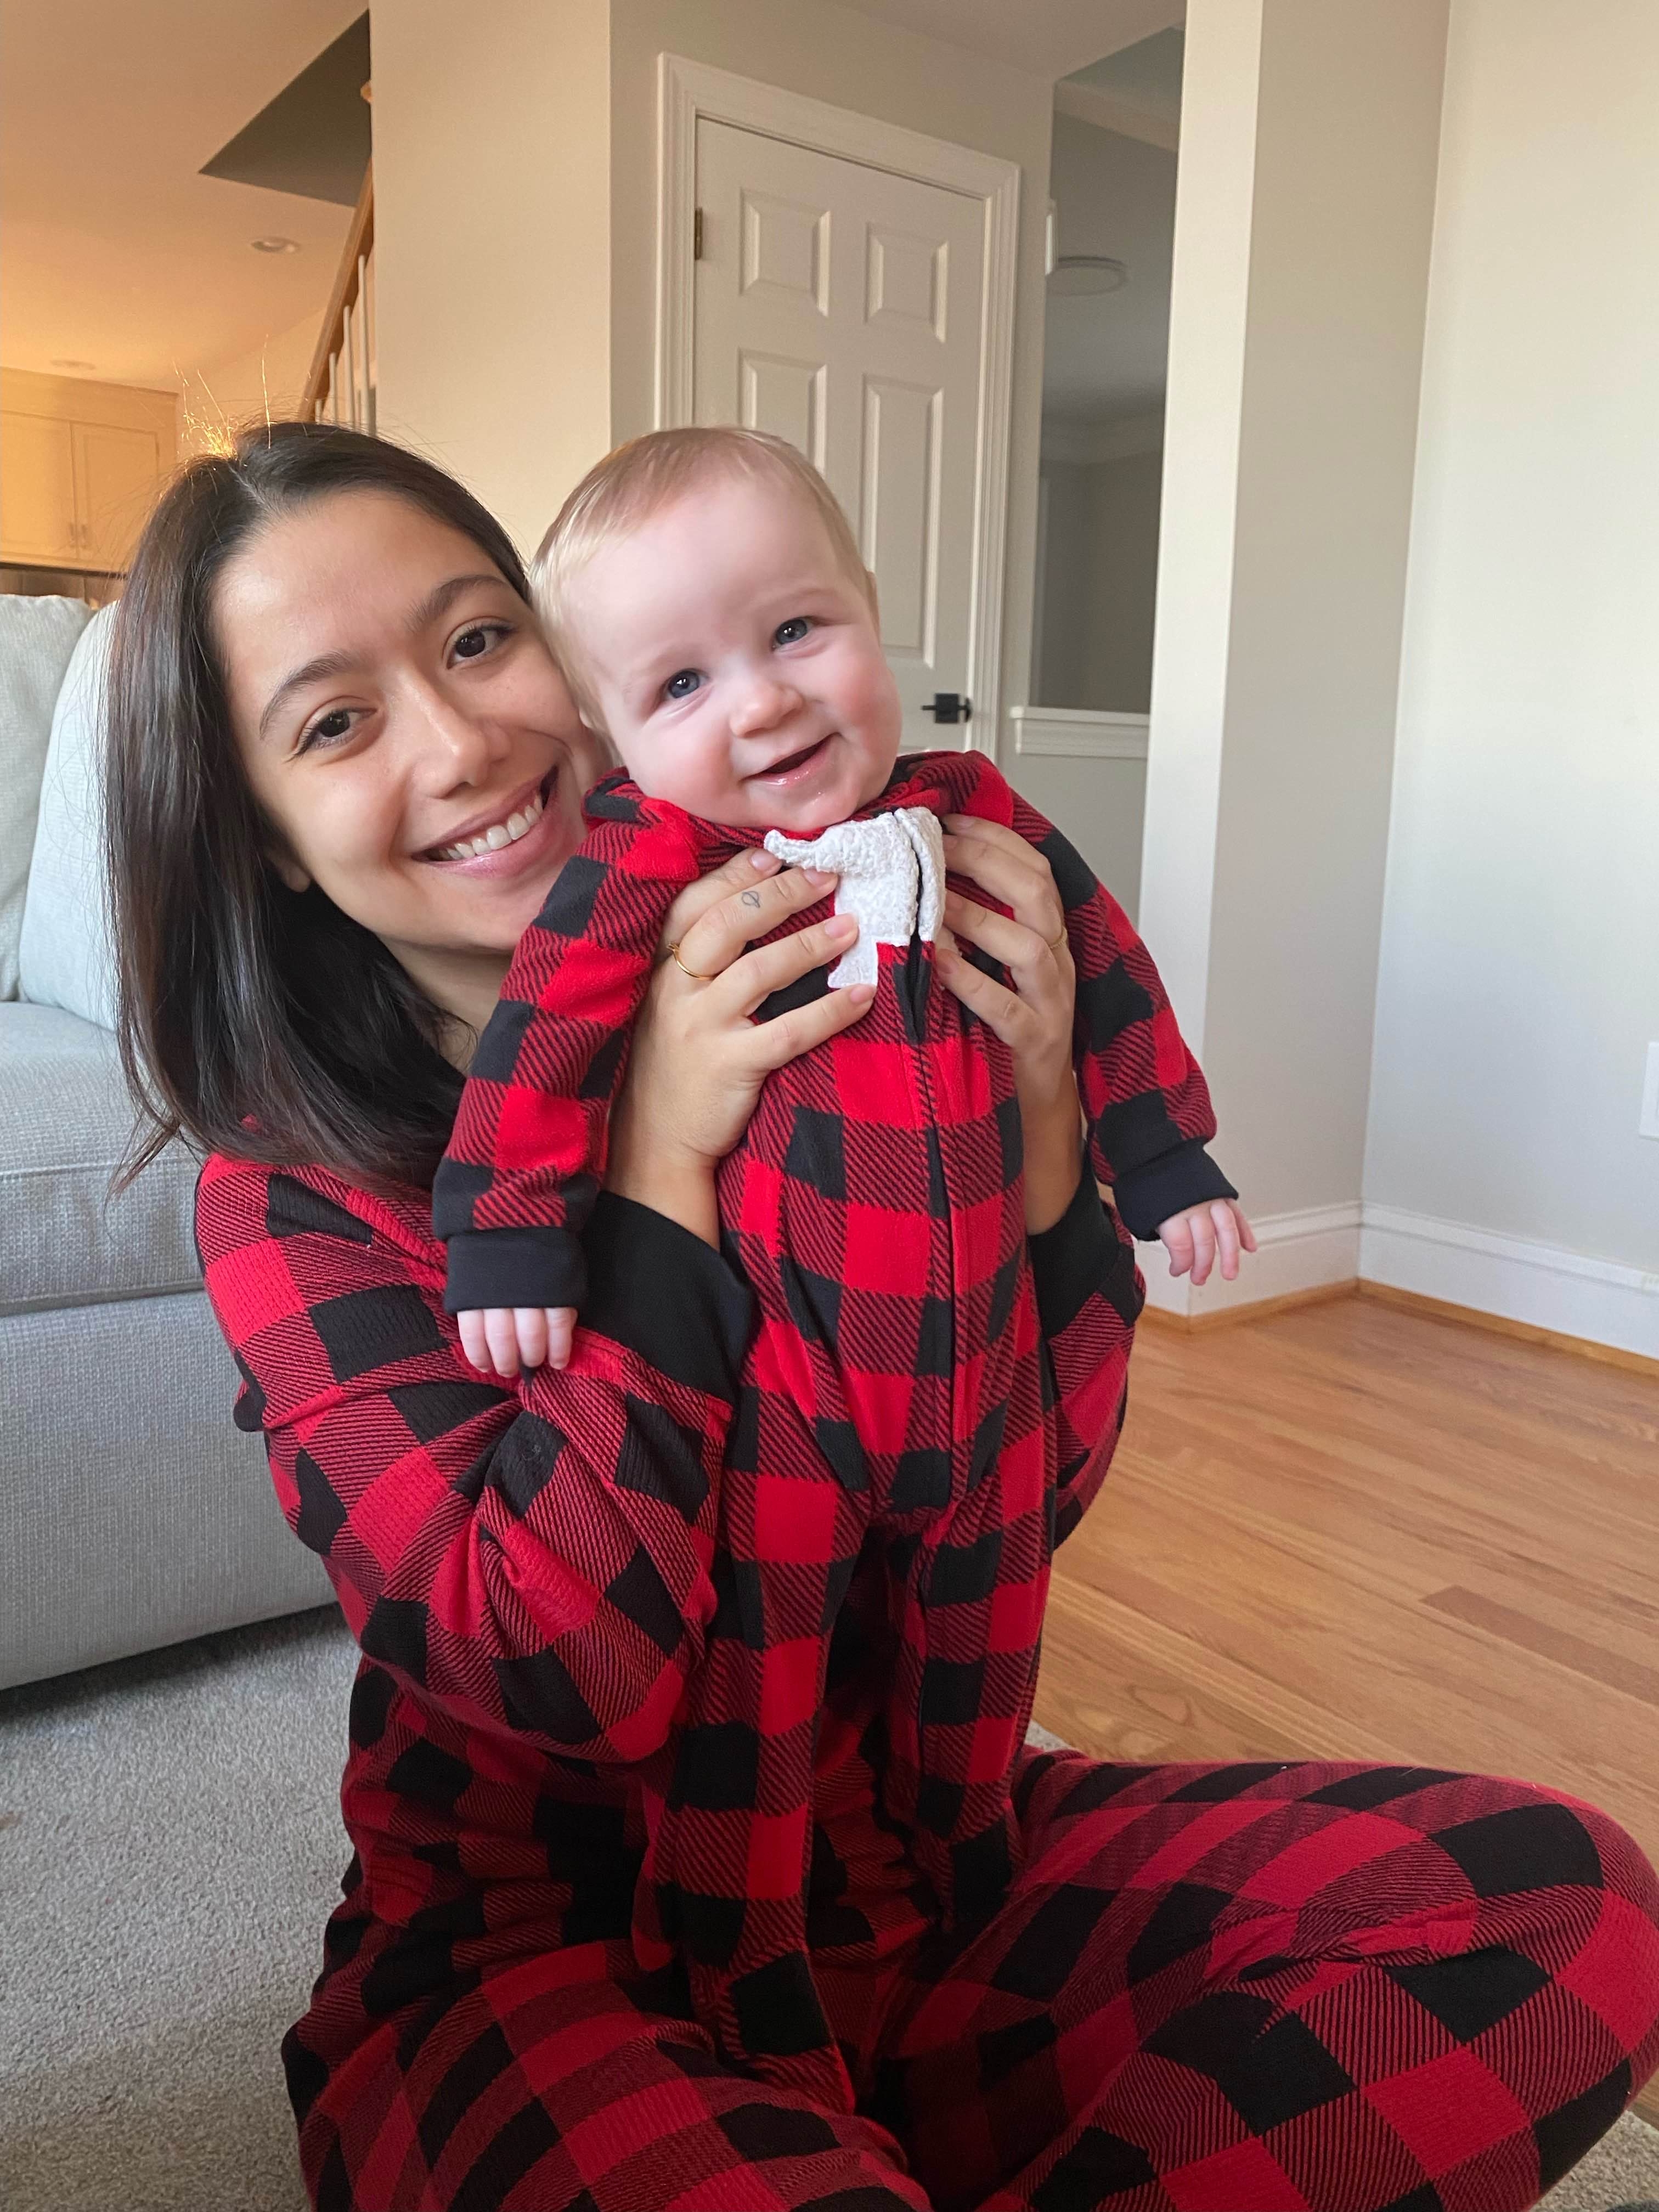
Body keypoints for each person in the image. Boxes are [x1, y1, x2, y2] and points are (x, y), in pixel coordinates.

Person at [106, 421, 1659, 2212]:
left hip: (924, 1873)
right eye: (335, 722)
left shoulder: (856, 980)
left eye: (475, 640)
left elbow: (1032, 1495)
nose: (463, 744)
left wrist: (1055, 1139)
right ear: (273, 841)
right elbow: (560, 1678)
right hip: (542, 1957)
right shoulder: (295, 1194)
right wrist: (654, 1189)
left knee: (1566, 1914)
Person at [432, 426, 1255, 2095]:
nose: (762, 703)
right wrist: (506, 1229)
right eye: (679, 686)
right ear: (611, 743)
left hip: (984, 1397)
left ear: (876, 615)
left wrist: (1156, 1157)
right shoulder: (648, 876)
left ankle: (966, 1891)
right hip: (793, 1403)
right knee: (759, 1700)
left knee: (984, 1679)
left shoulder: (980, 820)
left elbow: (1107, 972)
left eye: (800, 631)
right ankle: (739, 1958)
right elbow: (537, 1050)